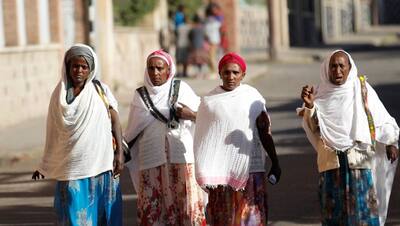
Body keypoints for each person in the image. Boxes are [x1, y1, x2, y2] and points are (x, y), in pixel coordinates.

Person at [298, 50, 399, 226]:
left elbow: (381, 117)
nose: (337, 71)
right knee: (334, 215)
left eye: (341, 66)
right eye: (333, 66)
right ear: (326, 69)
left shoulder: (362, 89)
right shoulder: (319, 93)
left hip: (359, 160)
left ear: (349, 68)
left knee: (363, 213)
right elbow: (314, 129)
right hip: (331, 164)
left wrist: (390, 141)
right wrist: (311, 106)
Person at [32, 44, 123, 225]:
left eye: (84, 66)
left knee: (103, 216)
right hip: (73, 168)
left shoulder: (100, 91)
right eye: (75, 66)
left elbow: (115, 121)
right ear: (67, 67)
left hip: (102, 166)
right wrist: (45, 164)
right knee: (75, 217)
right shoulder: (59, 96)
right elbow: (54, 133)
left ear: (91, 69)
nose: (79, 71)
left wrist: (119, 153)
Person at [193, 52, 281, 225]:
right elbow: (203, 138)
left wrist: (275, 162)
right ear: (219, 74)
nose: (231, 77)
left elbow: (264, 132)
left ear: (243, 75)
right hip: (219, 173)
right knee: (224, 219)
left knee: (250, 218)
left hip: (250, 169)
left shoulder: (252, 97)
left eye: (235, 72)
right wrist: (203, 168)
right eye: (226, 72)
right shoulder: (209, 101)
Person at [124, 50, 206, 225]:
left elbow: (204, 119)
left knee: (187, 210)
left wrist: (189, 114)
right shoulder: (140, 96)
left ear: (168, 70)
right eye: (151, 68)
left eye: (159, 68)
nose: (155, 73)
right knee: (154, 211)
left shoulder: (182, 89)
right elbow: (131, 132)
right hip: (152, 161)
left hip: (181, 161)